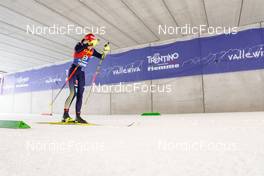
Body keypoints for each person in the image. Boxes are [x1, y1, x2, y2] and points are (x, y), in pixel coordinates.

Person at [63, 33, 110, 123]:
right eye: (91, 43)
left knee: (80, 94)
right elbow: (77, 50)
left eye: (93, 43)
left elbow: (101, 57)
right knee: (73, 93)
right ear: (87, 41)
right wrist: (87, 45)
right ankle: (65, 115)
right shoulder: (80, 45)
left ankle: (78, 116)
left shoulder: (92, 50)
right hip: (74, 70)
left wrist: (105, 51)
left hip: (81, 72)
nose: (91, 45)